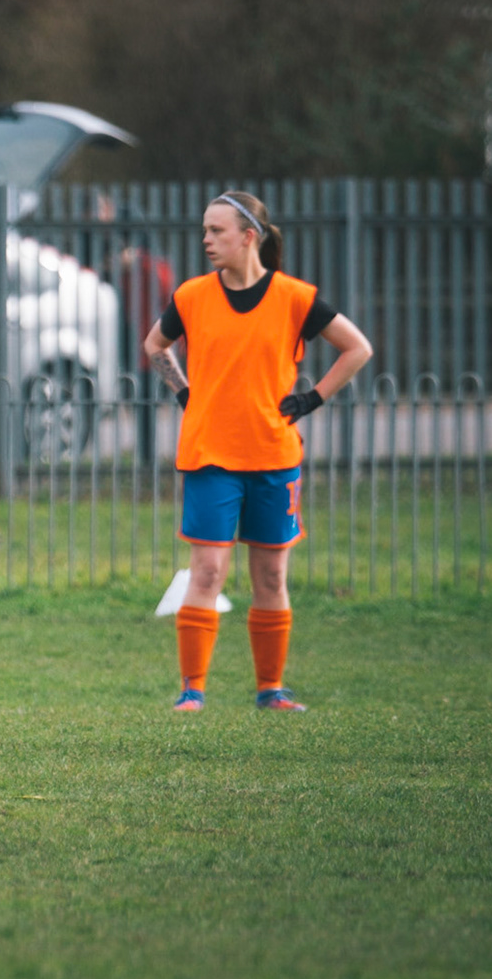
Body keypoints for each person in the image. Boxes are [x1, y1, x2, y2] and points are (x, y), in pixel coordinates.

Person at [144, 191, 372, 712]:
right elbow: (155, 346)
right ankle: (191, 692)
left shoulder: (295, 297)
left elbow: (357, 348)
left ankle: (271, 690)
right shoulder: (191, 297)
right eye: (204, 230)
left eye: (216, 231)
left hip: (273, 456)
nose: (206, 240)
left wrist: (312, 398)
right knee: (207, 574)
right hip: (210, 457)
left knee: (271, 576)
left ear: (250, 236)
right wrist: (185, 394)